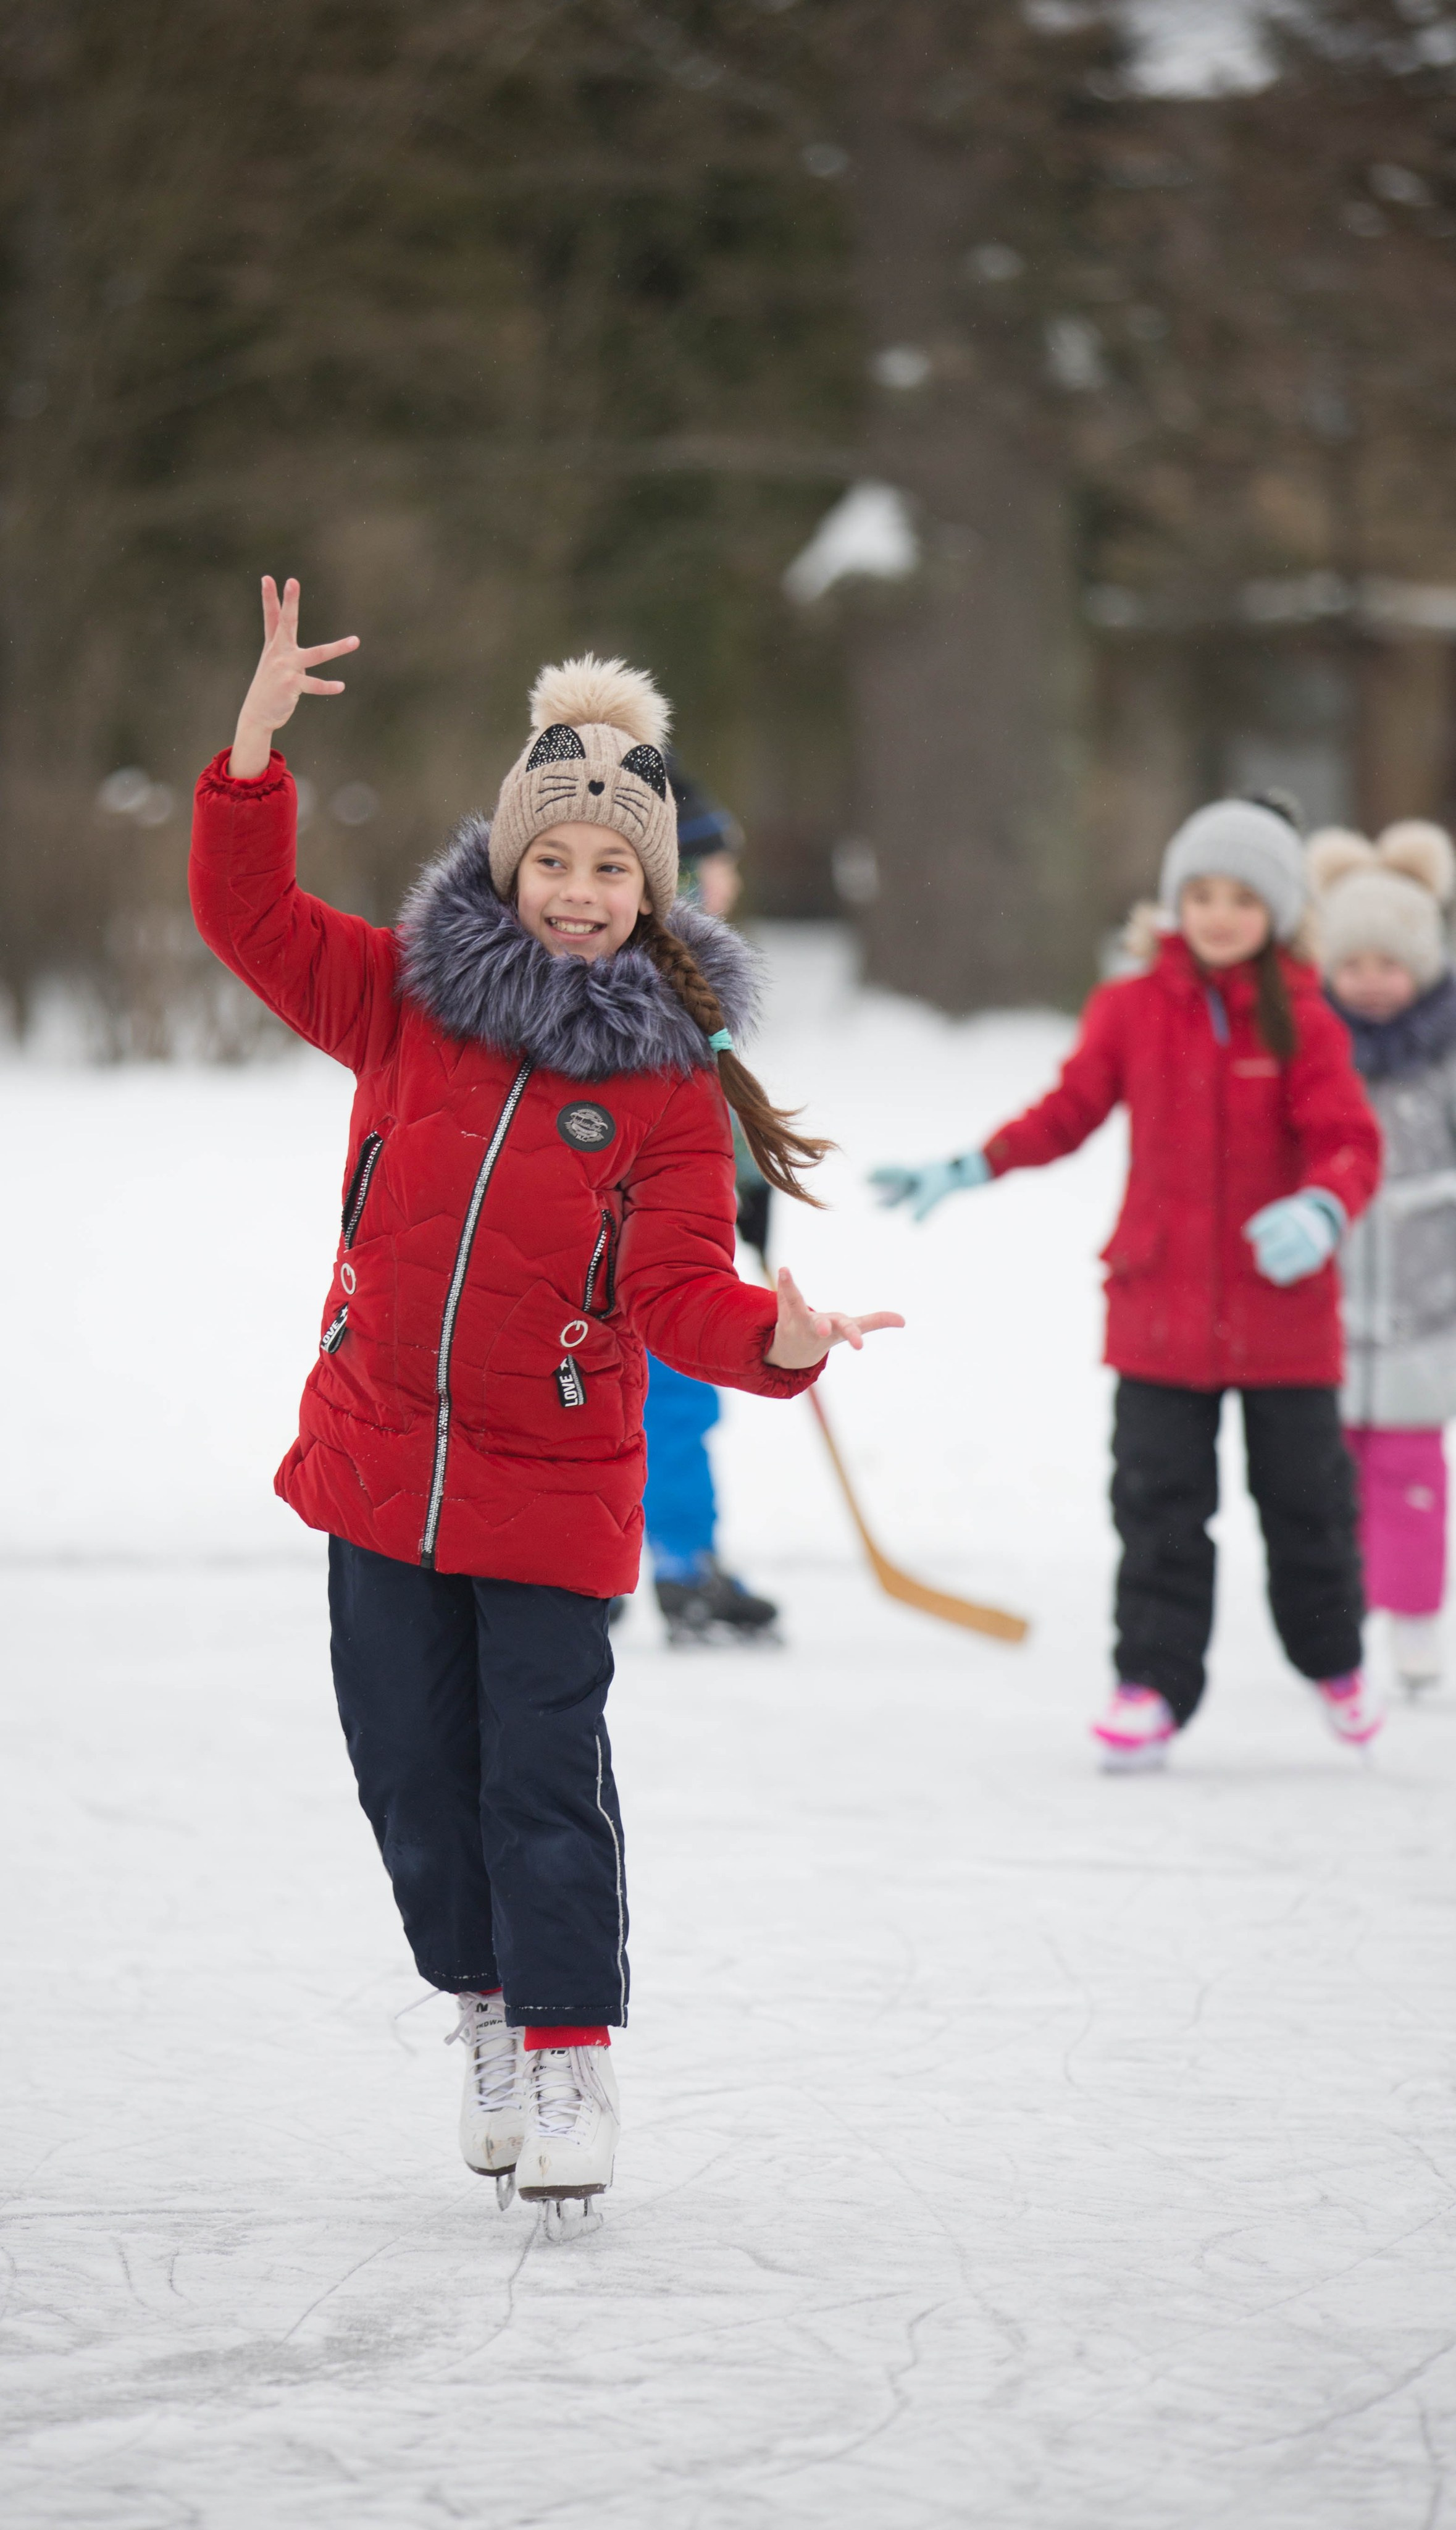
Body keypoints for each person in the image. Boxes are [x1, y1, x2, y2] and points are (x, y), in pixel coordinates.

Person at [190, 578, 903, 2225]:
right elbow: (251, 922)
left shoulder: (658, 1089)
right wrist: (251, 752)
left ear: (648, 894)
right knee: (408, 1775)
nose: (579, 890)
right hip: (375, 1467)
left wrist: (773, 1341)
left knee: (538, 1776)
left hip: (552, 1483)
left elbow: (673, 1290)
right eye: (553, 857)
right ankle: (489, 2017)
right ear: (506, 863)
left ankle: (571, 2046)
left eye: (611, 868)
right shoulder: (399, 1003)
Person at [872, 796, 1383, 1769]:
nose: (1219, 913)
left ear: (1275, 909)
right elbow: (1069, 1109)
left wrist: (1321, 1209)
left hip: (1283, 1322)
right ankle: (1150, 1683)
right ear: (1172, 902)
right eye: (1200, 893)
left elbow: (1349, 1143)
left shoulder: (1305, 1021)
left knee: (1305, 1505)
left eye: (1240, 896)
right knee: (1155, 1506)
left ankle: (1333, 1658)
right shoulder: (1133, 1010)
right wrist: (975, 1163)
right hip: (1158, 1312)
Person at [634, 758, 779, 1645]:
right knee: (672, 1396)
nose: (732, 880)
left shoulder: (685, 967)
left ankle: (625, 1563)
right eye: (717, 863)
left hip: (662, 1220)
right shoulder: (667, 971)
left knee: (643, 1399)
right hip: (651, 1237)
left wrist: (751, 1190)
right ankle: (681, 1566)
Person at [1313, 818, 1456, 1695]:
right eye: (1353, 964)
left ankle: (1411, 1614)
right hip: (1324, 1304)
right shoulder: (1313, 1052)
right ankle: (1337, 1610)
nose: (1370, 984)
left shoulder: (1442, 1061)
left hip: (1423, 1298)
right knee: (1329, 1466)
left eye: (1389, 964)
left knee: (1407, 1466)